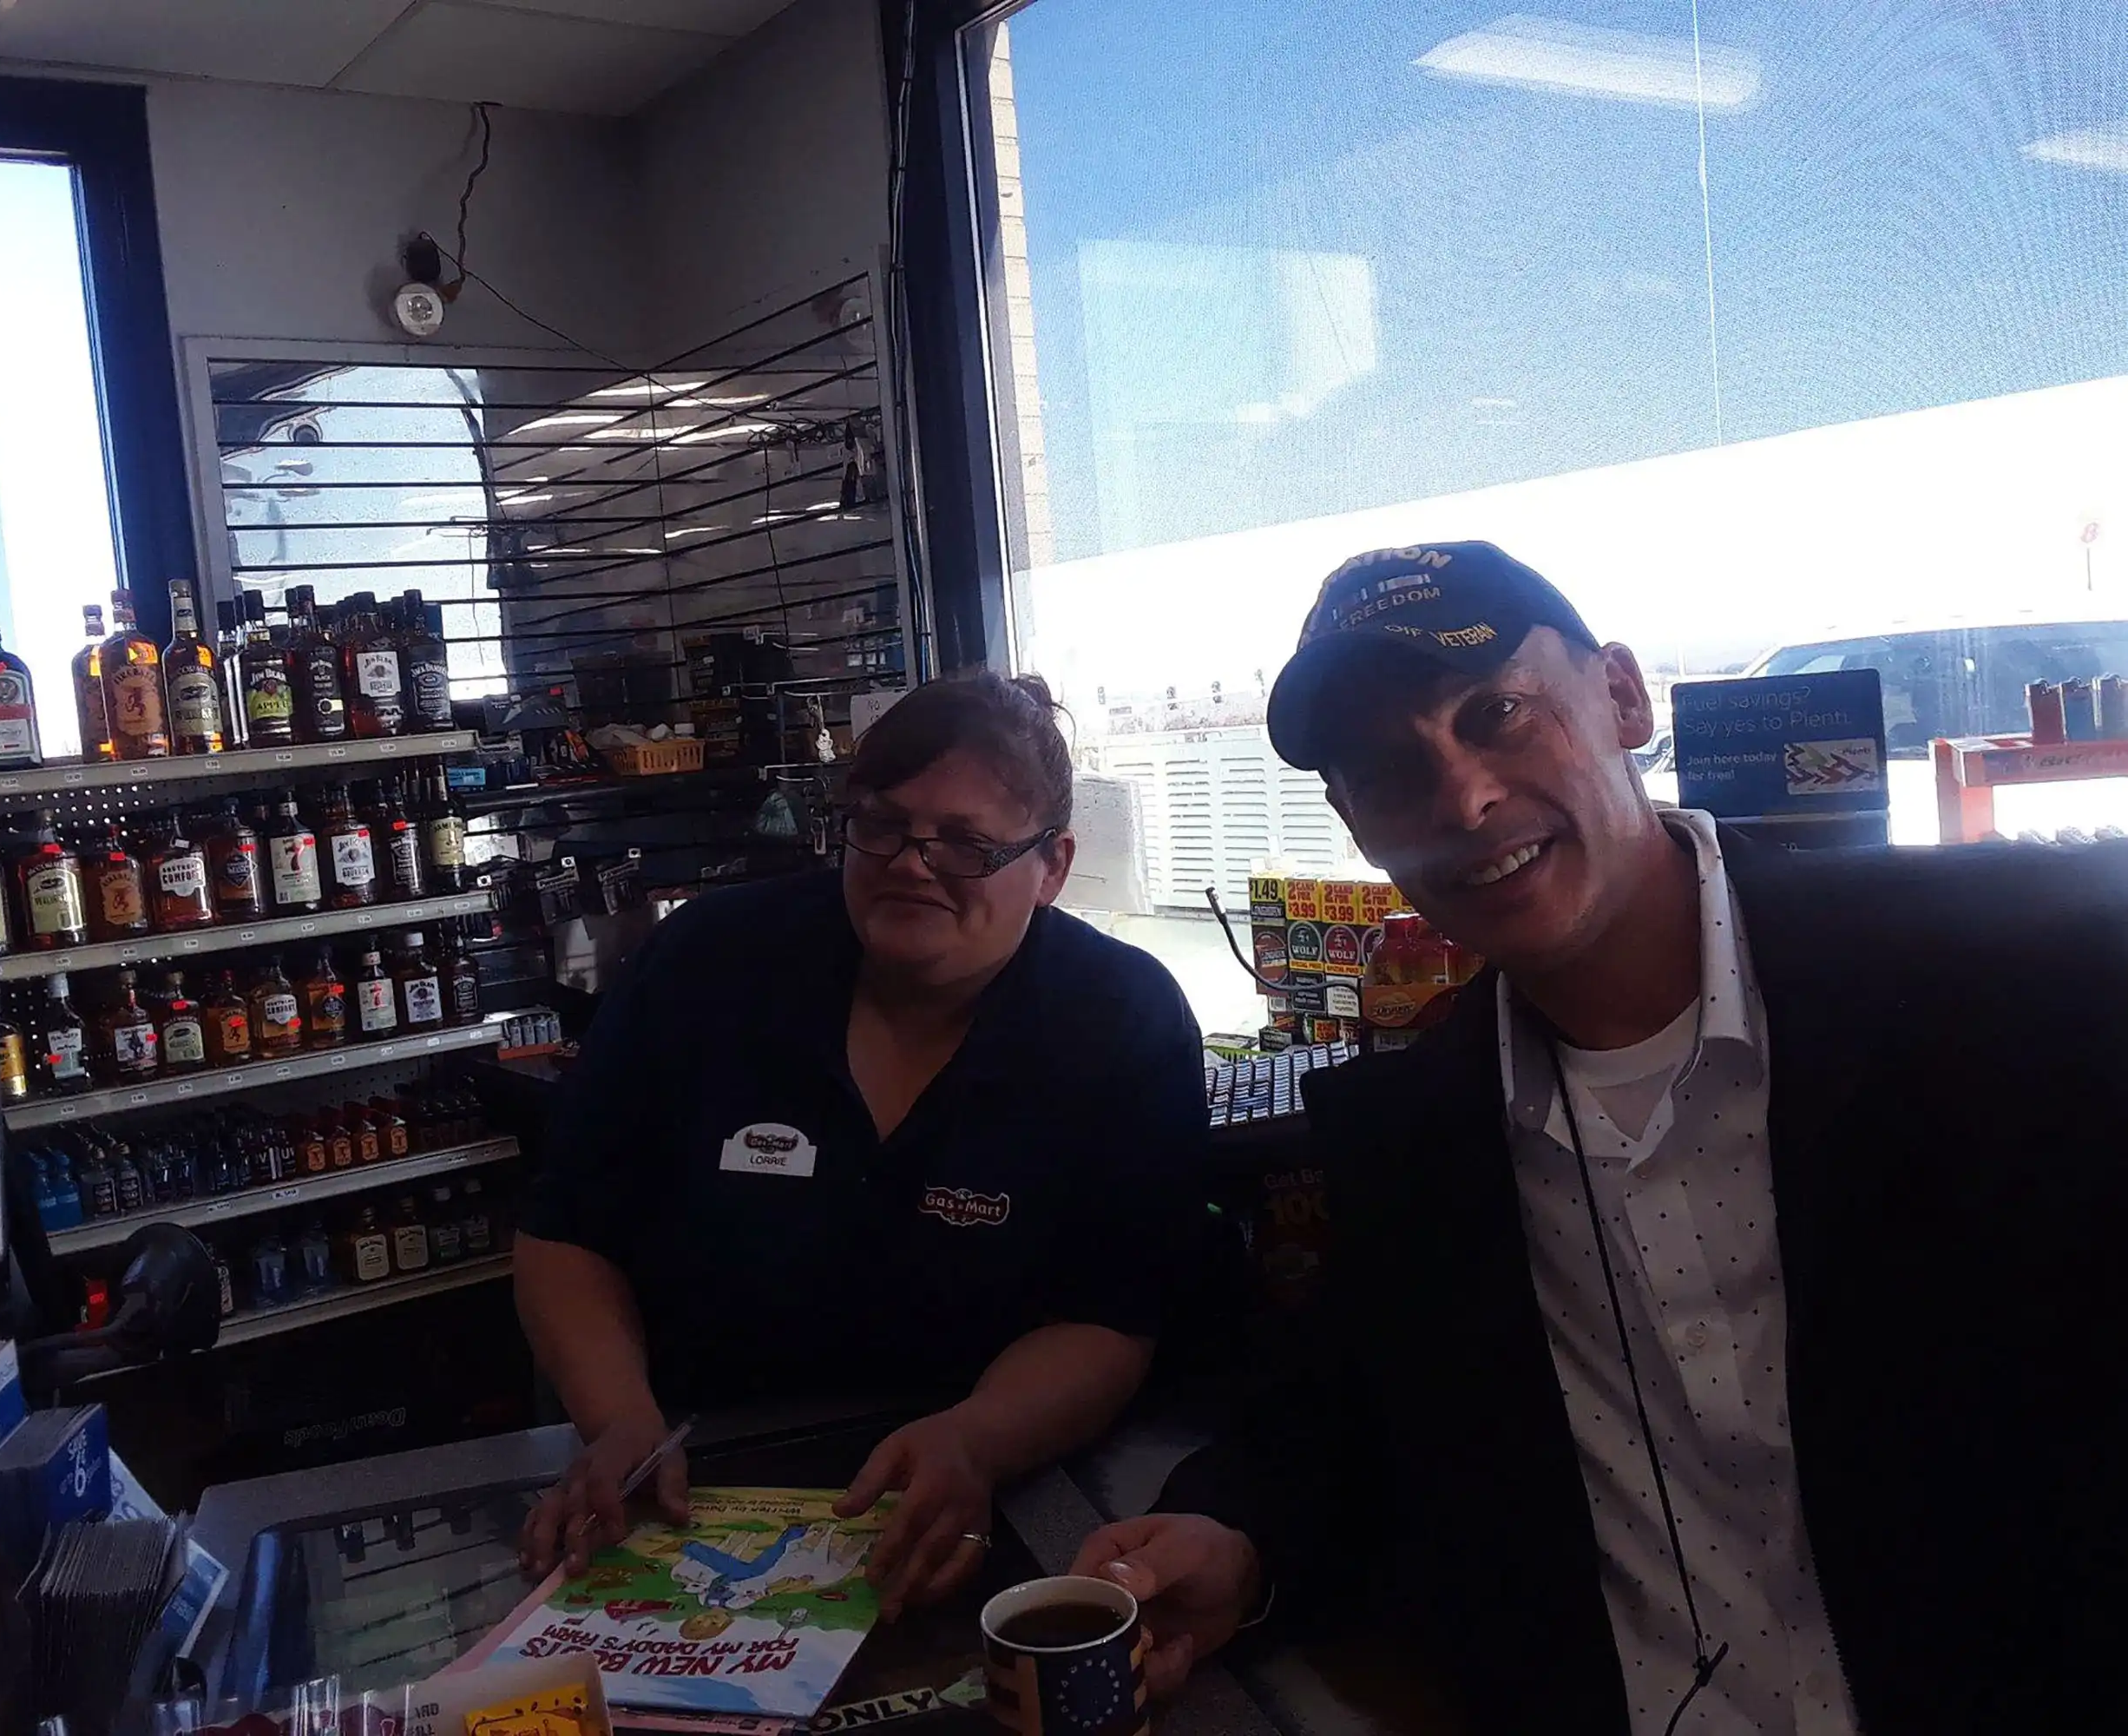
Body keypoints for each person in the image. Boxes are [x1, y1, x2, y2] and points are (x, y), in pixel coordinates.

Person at [1074, 543, 2128, 1734]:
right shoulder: (1420, 1135)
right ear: (1352, 824)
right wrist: (1235, 1545)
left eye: (1497, 715)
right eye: (1384, 767)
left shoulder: (2026, 987)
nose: (1461, 797)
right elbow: (1351, 1419)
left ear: (1621, 697)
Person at [516, 671, 1206, 1618]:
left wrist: (977, 1437)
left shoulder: (1121, 1017)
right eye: (881, 824)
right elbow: (568, 1232)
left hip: (990, 1498)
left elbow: (1113, 1313)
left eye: (964, 843)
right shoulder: (710, 963)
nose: (911, 863)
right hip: (686, 1486)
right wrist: (618, 1418)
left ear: (1052, 866)